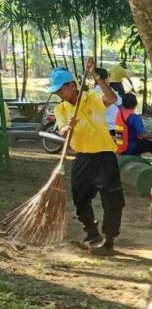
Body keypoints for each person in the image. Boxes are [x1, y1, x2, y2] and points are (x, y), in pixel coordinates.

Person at [50, 61, 124, 256]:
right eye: (55, 91)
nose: (58, 93)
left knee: (112, 199)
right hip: (83, 158)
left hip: (105, 157)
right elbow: (62, 132)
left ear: (72, 86)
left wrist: (96, 76)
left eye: (60, 89)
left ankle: (109, 241)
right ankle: (92, 233)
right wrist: (68, 126)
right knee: (80, 198)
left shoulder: (92, 98)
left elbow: (112, 98)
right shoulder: (62, 110)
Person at [115, 93, 152, 164]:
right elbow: (144, 135)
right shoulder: (134, 117)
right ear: (135, 104)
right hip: (131, 147)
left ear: (123, 103)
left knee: (147, 143)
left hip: (121, 147)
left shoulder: (120, 114)